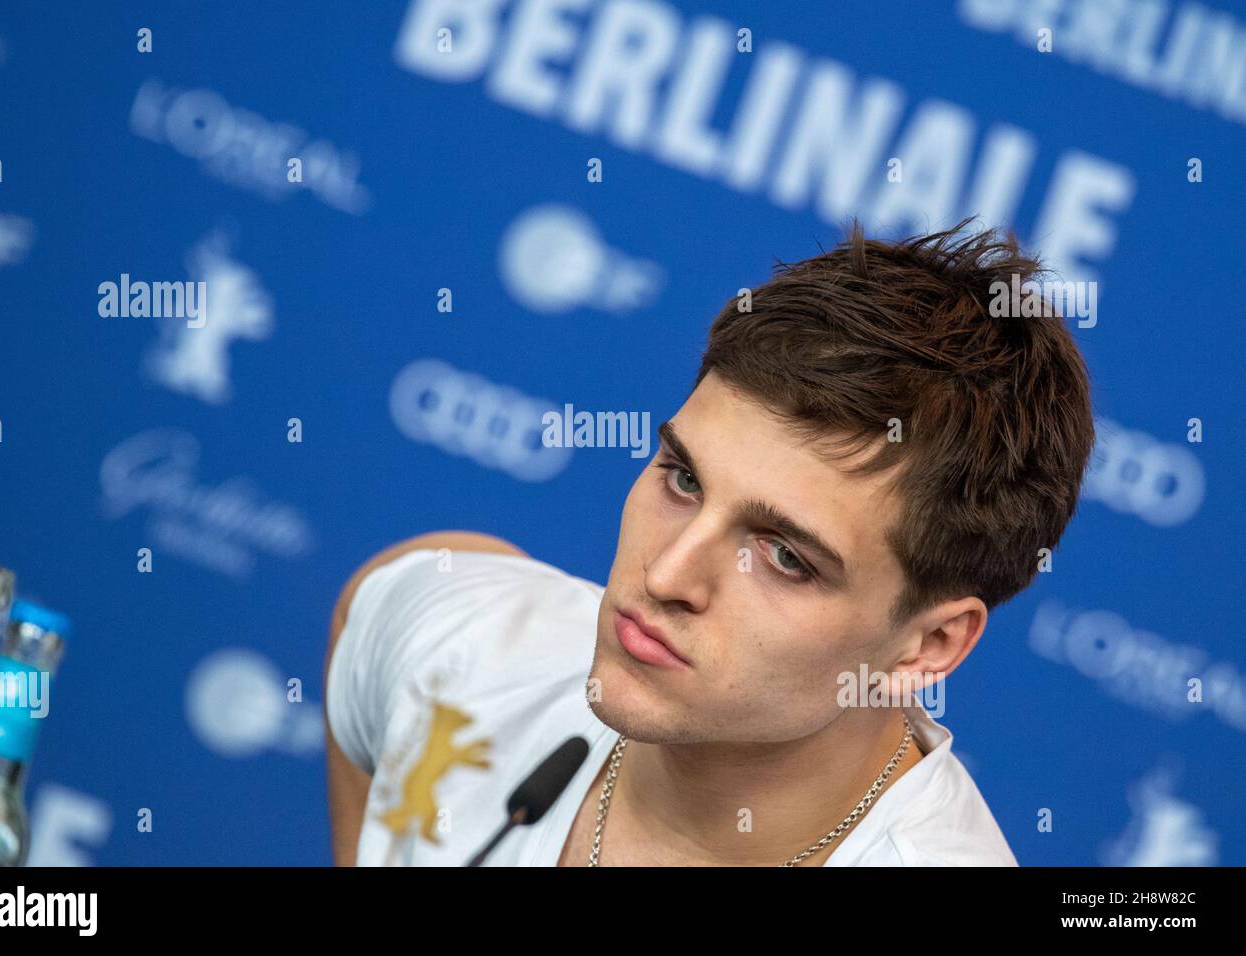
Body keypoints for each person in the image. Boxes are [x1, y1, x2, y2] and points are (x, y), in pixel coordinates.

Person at [324, 218, 1095, 866]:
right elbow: (382, 604)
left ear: (928, 646)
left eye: (786, 556)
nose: (666, 574)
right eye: (684, 479)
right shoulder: (455, 648)